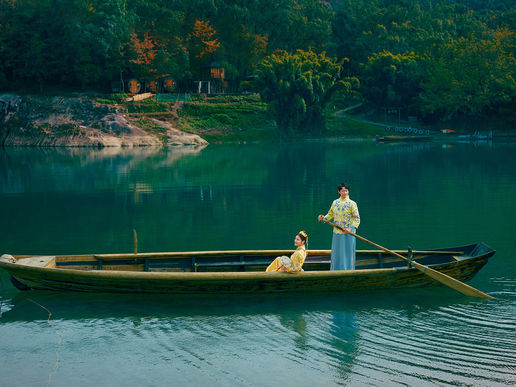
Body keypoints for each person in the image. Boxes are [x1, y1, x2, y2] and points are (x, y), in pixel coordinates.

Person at [318, 183, 360, 270]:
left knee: (347, 253)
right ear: (339, 192)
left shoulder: (352, 203)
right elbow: (330, 214)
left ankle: (348, 270)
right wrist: (324, 218)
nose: (344, 192)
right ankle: (335, 270)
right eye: (342, 191)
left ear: (348, 192)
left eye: (346, 191)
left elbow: (357, 219)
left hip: (348, 233)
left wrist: (350, 229)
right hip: (337, 232)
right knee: (337, 253)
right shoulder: (335, 202)